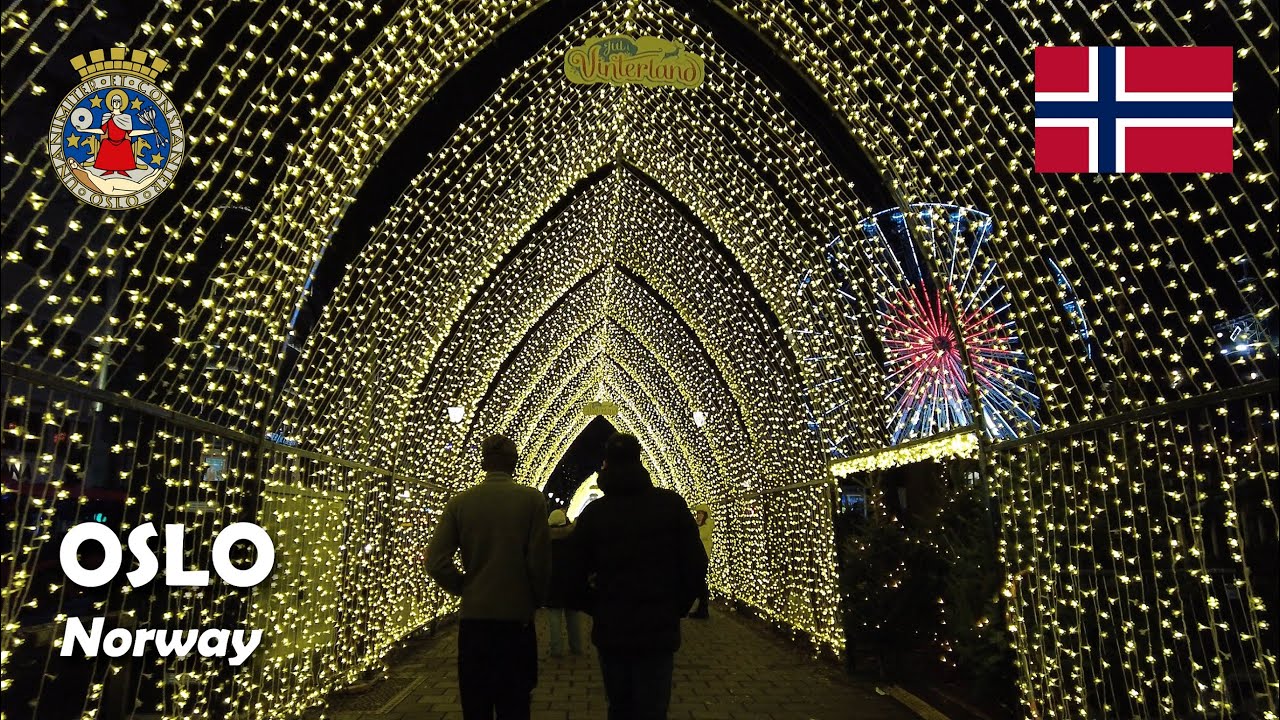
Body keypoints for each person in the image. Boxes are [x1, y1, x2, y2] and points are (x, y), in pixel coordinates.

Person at [567, 433, 708, 720]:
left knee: (619, 707)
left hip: (612, 628)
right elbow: (695, 563)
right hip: (658, 627)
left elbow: (572, 571)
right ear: (640, 459)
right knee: (653, 708)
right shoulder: (670, 505)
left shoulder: (595, 513)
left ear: (605, 464)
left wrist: (597, 607)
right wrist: (676, 606)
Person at [426, 435, 551, 720]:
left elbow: (436, 562)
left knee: (476, 702)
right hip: (516, 618)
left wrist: (465, 587)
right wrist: (536, 597)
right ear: (514, 463)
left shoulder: (461, 502)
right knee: (515, 701)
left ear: (483, 462)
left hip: (475, 619)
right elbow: (540, 561)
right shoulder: (531, 500)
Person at [544, 508, 583, 657]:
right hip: (571, 580)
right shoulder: (573, 537)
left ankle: (556, 649)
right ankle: (576, 647)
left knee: (554, 616)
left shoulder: (544, 539)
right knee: (572, 615)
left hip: (552, 581)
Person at [689, 503, 713, 619]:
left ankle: (703, 610)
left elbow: (700, 535)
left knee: (700, 584)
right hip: (697, 557)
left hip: (702, 558)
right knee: (699, 583)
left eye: (701, 513)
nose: (698, 516)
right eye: (697, 513)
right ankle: (702, 609)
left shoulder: (707, 525)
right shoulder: (699, 525)